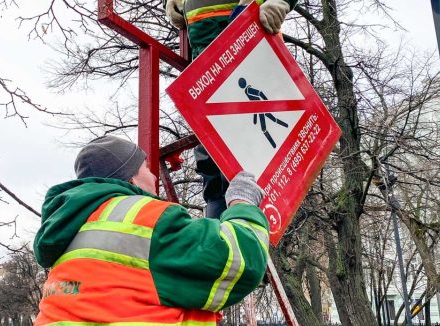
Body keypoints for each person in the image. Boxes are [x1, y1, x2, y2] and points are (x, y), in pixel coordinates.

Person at [163, 0, 310, 218]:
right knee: (211, 149)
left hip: (242, 48)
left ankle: (250, 222)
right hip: (205, 57)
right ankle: (219, 221)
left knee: (248, 147)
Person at [33, 135, 270, 325]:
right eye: (146, 167)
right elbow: (240, 261)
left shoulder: (70, 229)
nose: (154, 175)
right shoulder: (145, 217)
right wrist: (242, 202)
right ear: (131, 180)